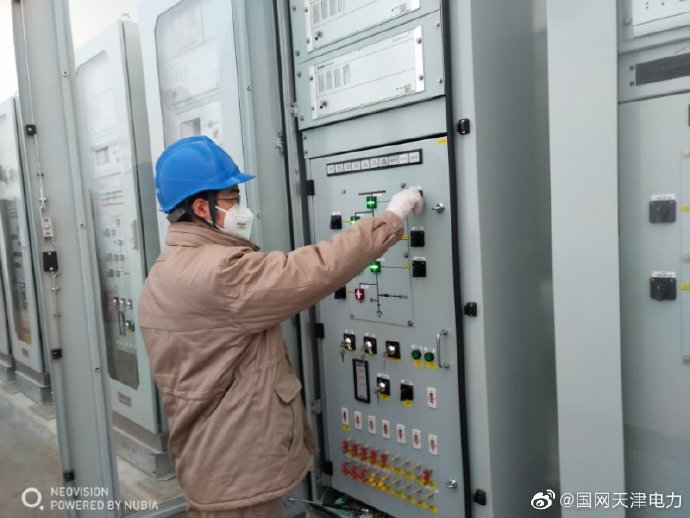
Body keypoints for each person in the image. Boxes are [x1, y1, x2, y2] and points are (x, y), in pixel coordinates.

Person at [138, 136, 424, 517]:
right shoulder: (220, 272)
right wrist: (390, 219)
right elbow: (312, 269)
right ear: (201, 207)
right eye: (232, 198)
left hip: (206, 462)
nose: (242, 208)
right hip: (237, 479)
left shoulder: (163, 272)